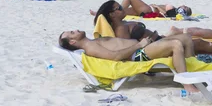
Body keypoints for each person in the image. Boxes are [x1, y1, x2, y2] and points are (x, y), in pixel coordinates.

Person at [93, 0, 212, 59]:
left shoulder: (123, 22)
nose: (122, 8)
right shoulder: (120, 29)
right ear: (112, 14)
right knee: (199, 44)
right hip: (155, 47)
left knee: (198, 46)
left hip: (160, 40)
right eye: (119, 8)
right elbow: (129, 49)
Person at [58, 29, 200, 93]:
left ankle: (195, 70)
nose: (75, 30)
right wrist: (139, 45)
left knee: (186, 37)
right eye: (72, 33)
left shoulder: (92, 42)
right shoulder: (90, 47)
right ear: (72, 41)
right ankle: (186, 83)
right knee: (175, 44)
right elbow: (115, 57)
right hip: (137, 55)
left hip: (141, 48)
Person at [89, 0, 192, 18]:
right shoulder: (175, 10)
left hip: (149, 9)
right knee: (124, 12)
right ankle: (101, 13)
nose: (183, 5)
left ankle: (113, 10)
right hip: (147, 10)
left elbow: (165, 14)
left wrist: (157, 6)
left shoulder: (174, 9)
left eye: (185, 7)